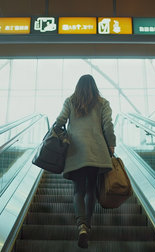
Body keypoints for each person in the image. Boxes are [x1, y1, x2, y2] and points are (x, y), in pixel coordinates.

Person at [55, 74, 116, 249]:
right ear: (94, 86)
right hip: (96, 152)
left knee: (78, 191)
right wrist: (111, 145)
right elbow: (108, 125)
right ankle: (87, 226)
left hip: (75, 152)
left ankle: (81, 225)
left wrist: (60, 135)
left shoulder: (70, 101)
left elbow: (59, 122)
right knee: (91, 189)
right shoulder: (102, 103)